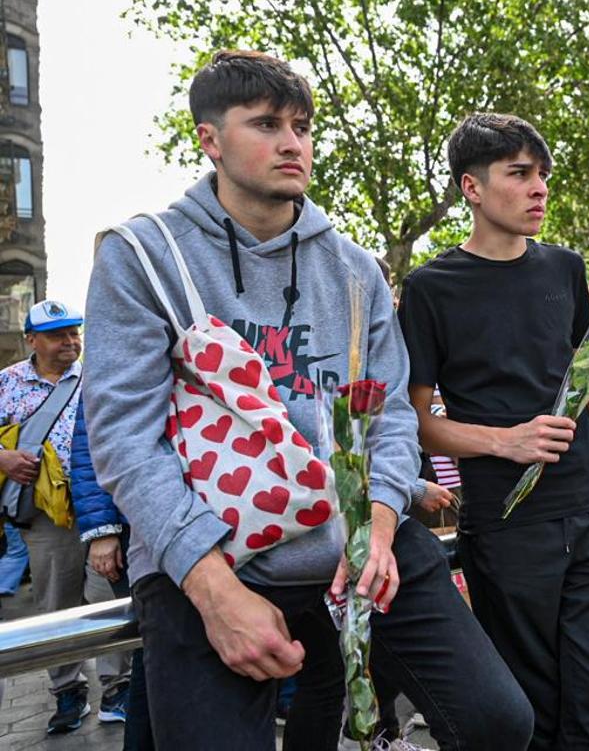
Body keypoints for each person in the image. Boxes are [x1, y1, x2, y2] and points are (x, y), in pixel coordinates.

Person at [83, 50, 532, 750]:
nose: (292, 143)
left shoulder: (353, 269)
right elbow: (123, 440)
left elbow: (387, 418)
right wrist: (214, 593)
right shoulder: (142, 255)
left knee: (500, 721)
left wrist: (379, 528)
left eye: (302, 125)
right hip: (213, 556)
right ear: (209, 139)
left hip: (358, 538)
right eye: (265, 124)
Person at [400, 113, 589, 750]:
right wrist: (506, 440)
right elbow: (416, 424)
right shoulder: (429, 288)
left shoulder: (565, 268)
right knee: (534, 712)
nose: (538, 189)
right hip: (507, 525)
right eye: (519, 174)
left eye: (543, 175)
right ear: (471, 187)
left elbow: (587, 380)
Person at [0, 299, 131, 734]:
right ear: (31, 340)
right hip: (44, 518)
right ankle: (68, 691)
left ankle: (118, 688)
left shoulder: (99, 378)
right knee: (55, 603)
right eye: (58, 335)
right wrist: (3, 459)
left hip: (105, 514)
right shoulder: (9, 382)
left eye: (75, 333)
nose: (70, 342)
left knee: (110, 601)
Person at [69, 402, 154, 747]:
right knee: (152, 647)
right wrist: (102, 531)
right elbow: (90, 442)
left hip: (191, 523)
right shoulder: (119, 352)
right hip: (133, 528)